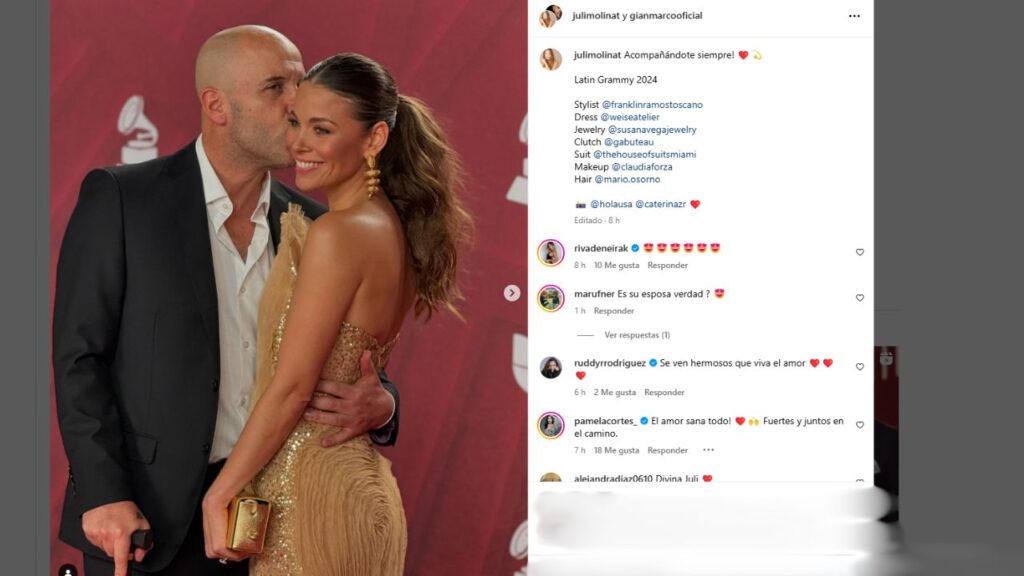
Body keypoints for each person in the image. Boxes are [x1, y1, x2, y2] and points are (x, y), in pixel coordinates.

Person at [53, 26, 401, 576]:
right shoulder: (124, 200)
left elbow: (344, 362)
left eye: (301, 83)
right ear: (216, 106)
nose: (298, 102)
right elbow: (80, 357)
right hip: (142, 522)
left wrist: (385, 406)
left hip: (278, 520)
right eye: (276, 87)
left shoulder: (315, 226)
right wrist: (103, 492)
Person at [201, 52, 469, 575]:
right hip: (355, 487)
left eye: (321, 130)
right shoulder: (387, 226)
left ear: (374, 139)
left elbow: (292, 388)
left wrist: (220, 494)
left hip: (309, 496)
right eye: (296, 122)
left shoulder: (338, 233)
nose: (298, 143)